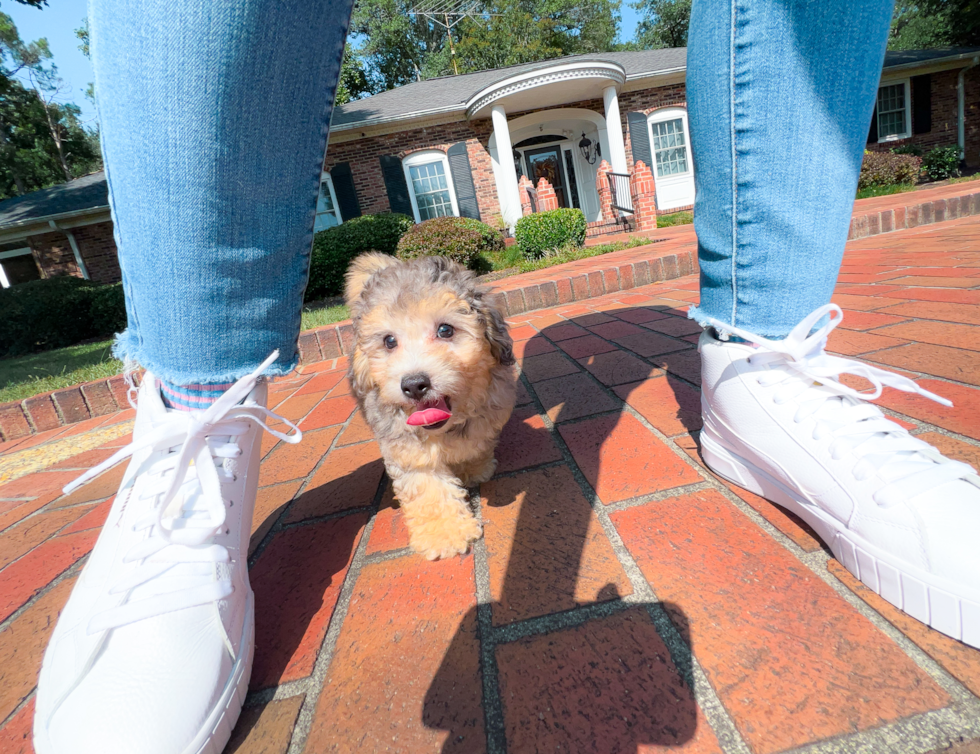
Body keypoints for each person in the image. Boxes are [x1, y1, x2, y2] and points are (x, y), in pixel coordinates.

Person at [32, 0, 980, 752]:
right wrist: (431, 478)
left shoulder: (495, 354)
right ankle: (198, 405)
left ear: (484, 330)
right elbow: (403, 416)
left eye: (444, 335)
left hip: (557, 367)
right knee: (424, 458)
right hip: (406, 431)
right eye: (389, 348)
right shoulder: (394, 383)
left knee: (476, 439)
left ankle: (767, 360)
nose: (414, 371)